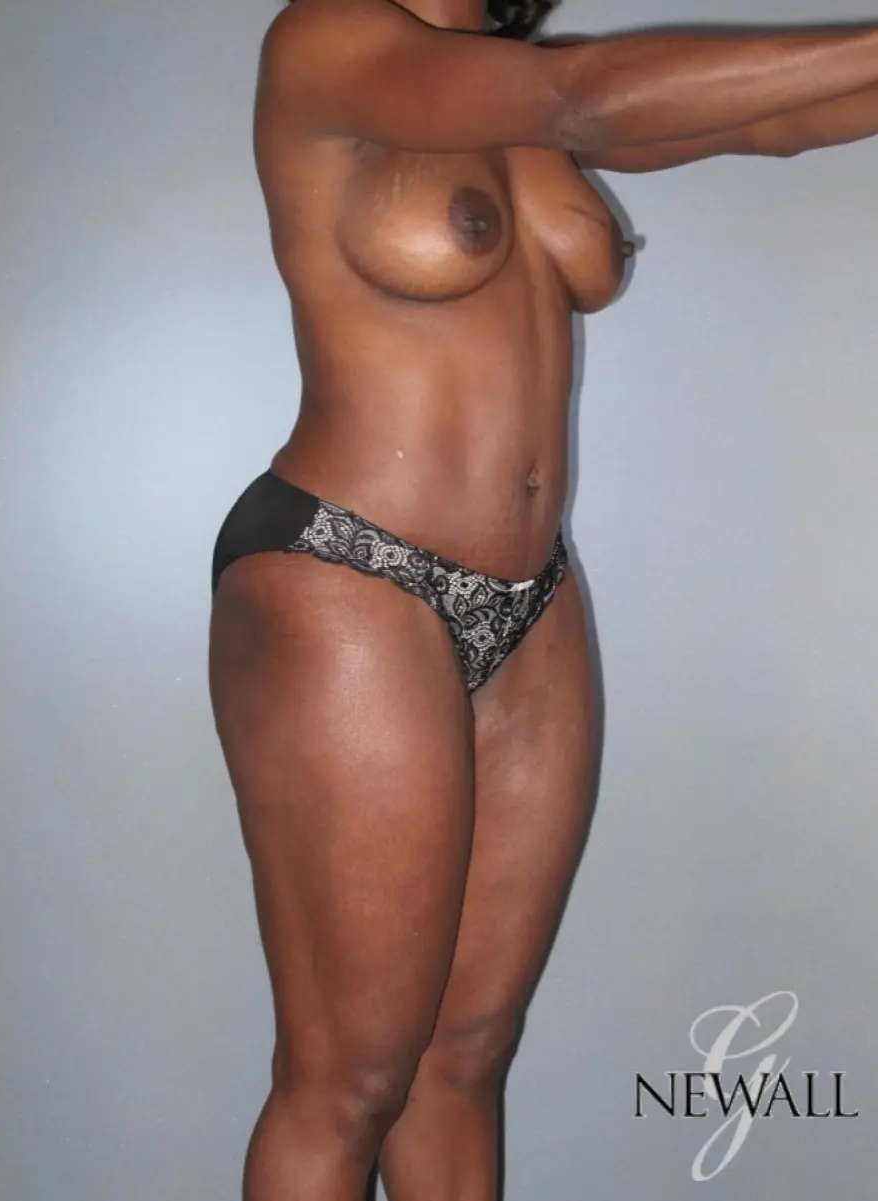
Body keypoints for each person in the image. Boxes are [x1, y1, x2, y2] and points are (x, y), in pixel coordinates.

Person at [207, 2, 878, 1197]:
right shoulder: (331, 40)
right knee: (348, 1079)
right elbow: (594, 98)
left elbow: (770, 124)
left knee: (466, 1057)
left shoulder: (508, 80)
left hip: (533, 595)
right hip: (350, 573)